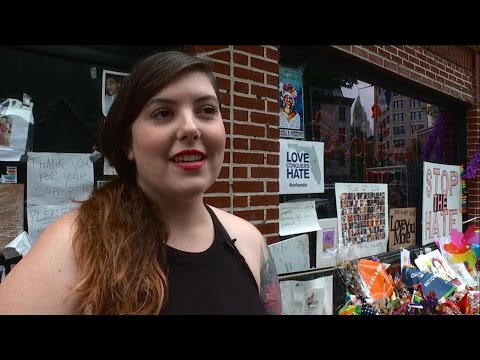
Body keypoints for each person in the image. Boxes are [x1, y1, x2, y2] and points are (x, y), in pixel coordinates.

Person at [0, 51, 282, 315]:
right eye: (163, 113)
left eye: (206, 109)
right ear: (127, 143)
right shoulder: (78, 242)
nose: (190, 128)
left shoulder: (249, 242)